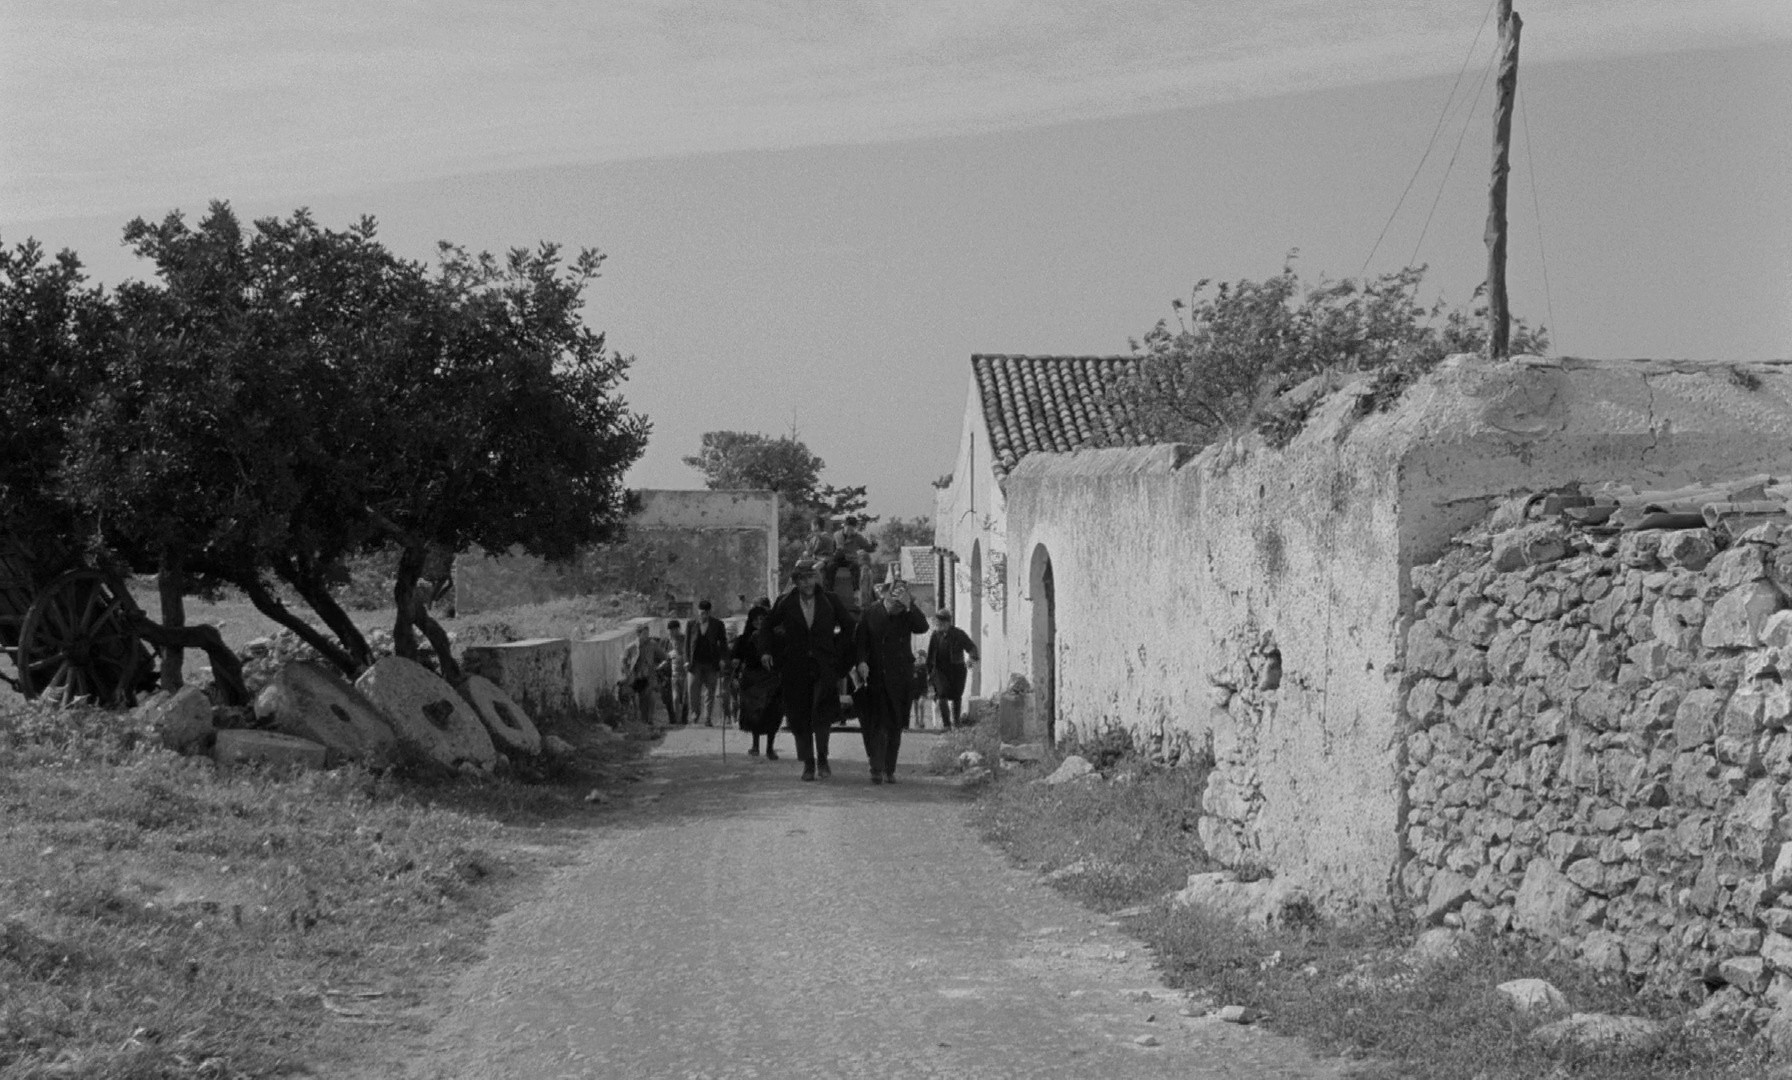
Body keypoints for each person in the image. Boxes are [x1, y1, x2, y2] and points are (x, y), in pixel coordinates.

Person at [760, 557, 850, 781]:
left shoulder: (830, 601)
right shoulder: (785, 603)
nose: (808, 583)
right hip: (795, 668)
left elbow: (849, 627)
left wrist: (837, 653)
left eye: (811, 577)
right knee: (800, 717)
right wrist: (767, 652)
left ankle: (822, 759)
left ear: (817, 578)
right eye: (802, 579)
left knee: (821, 713)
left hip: (824, 667)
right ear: (796, 582)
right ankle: (808, 763)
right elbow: (766, 627)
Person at [852, 580, 930, 784]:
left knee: (895, 725)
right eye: (894, 603)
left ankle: (890, 769)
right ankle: (876, 768)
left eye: (900, 604)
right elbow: (861, 640)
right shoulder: (871, 613)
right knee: (878, 725)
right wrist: (861, 661)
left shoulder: (906, 613)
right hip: (876, 676)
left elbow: (922, 627)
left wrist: (910, 605)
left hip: (900, 677)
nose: (897, 608)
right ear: (885, 598)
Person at [734, 605, 782, 758]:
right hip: (752, 681)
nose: (760, 622)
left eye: (763, 619)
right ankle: (755, 745)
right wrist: (734, 661)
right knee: (754, 715)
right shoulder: (744, 639)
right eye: (757, 620)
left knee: (773, 713)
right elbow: (736, 655)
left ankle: (770, 748)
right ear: (752, 622)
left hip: (771, 681)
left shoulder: (776, 637)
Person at [926, 608, 979, 729]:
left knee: (956, 696)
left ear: (948, 623)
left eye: (941, 623)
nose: (939, 625)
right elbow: (930, 655)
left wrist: (971, 659)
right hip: (939, 670)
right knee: (942, 694)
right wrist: (929, 672)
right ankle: (947, 725)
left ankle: (956, 723)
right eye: (937, 622)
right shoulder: (935, 635)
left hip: (957, 669)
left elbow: (971, 647)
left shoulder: (958, 634)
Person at [686, 600, 729, 726]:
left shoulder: (718, 624)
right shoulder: (691, 624)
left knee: (710, 691)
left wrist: (722, 659)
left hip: (711, 662)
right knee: (693, 689)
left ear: (709, 613)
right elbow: (686, 644)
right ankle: (694, 714)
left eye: (705, 613)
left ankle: (707, 718)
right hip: (695, 663)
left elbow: (723, 643)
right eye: (700, 613)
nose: (702, 615)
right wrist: (687, 660)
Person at [621, 622, 664, 728]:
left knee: (650, 698)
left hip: (649, 676)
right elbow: (623, 660)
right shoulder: (631, 647)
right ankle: (641, 722)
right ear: (638, 634)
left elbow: (663, 657)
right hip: (635, 678)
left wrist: (658, 667)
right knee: (638, 701)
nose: (647, 635)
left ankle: (649, 720)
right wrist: (627, 672)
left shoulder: (653, 645)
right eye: (644, 633)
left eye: (647, 633)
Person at [832, 516, 877, 594]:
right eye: (848, 529)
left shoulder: (858, 537)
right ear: (844, 526)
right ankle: (829, 589)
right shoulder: (836, 535)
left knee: (855, 567)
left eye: (852, 529)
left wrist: (874, 543)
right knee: (830, 566)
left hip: (850, 560)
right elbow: (832, 548)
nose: (850, 531)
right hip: (838, 559)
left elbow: (869, 549)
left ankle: (856, 590)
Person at [662, 619, 689, 724]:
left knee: (685, 698)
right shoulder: (666, 642)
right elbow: (662, 656)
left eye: (673, 630)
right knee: (672, 699)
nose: (671, 632)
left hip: (683, 673)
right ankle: (674, 719)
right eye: (670, 630)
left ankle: (683, 719)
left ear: (678, 629)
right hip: (669, 675)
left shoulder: (685, 640)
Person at [910, 649, 932, 728]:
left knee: (921, 704)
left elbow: (930, 676)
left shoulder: (926, 667)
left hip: (923, 689)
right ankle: (916, 720)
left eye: (921, 658)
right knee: (916, 704)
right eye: (918, 657)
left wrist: (931, 686)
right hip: (915, 688)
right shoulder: (913, 667)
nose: (919, 659)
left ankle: (922, 721)